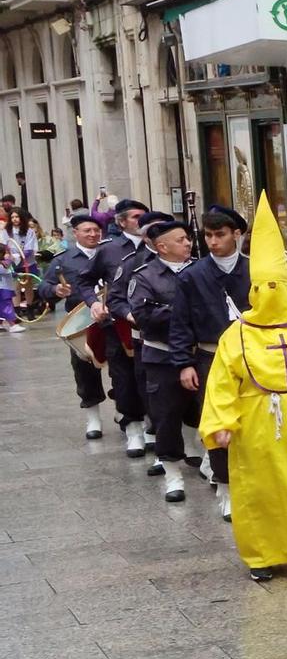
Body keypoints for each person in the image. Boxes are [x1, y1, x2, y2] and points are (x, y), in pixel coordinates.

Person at [198, 196, 287, 581]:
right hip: (255, 425)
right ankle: (262, 557)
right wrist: (221, 422)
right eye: (261, 286)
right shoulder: (238, 333)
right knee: (259, 493)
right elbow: (222, 381)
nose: (269, 293)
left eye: (275, 285)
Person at [174, 206, 251, 519]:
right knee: (219, 422)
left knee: (253, 421)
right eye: (208, 235)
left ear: (236, 234)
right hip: (210, 355)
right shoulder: (192, 275)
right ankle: (226, 486)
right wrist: (184, 362)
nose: (213, 241)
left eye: (220, 234)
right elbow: (179, 322)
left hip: (254, 356)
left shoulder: (256, 268)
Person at [127, 217, 201, 503]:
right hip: (163, 356)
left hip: (201, 353)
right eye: (181, 240)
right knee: (167, 416)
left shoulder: (199, 270)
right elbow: (145, 317)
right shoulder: (145, 276)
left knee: (207, 409)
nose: (188, 244)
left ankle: (209, 462)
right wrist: (184, 311)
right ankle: (172, 474)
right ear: (162, 246)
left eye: (187, 239)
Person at [97, 199, 154, 455]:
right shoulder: (108, 250)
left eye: (145, 216)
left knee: (148, 377)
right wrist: (92, 303)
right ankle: (132, 428)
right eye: (135, 217)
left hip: (152, 324)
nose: (141, 221)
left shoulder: (157, 246)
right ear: (121, 222)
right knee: (123, 376)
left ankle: (153, 427)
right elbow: (87, 280)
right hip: (119, 323)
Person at [49, 211, 109, 439]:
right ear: (75, 234)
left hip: (113, 318)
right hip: (82, 323)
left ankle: (127, 412)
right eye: (87, 231)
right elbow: (45, 287)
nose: (93, 234)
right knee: (85, 370)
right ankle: (93, 418)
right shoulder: (63, 260)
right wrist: (56, 290)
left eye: (96, 230)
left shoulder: (111, 252)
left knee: (123, 368)